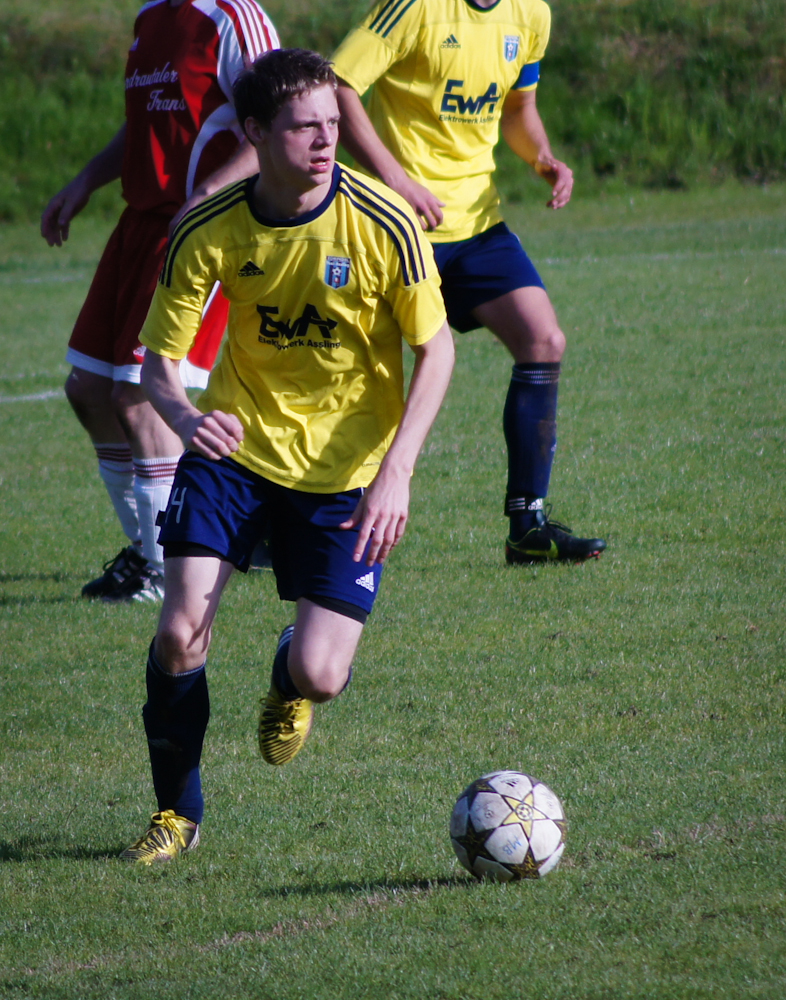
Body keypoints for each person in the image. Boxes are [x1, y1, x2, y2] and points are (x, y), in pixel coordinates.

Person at [118, 48, 455, 863]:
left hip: (348, 470)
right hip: (234, 453)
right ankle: (177, 814)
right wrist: (184, 416)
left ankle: (288, 678)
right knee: (179, 633)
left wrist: (398, 471)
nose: (326, 139)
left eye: (333, 123)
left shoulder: (385, 223)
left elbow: (437, 350)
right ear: (256, 133)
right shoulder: (209, 228)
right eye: (305, 126)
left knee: (321, 674)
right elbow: (160, 365)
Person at [332, 0, 606, 564]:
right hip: (395, 221)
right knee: (351, 366)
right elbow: (337, 85)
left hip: (477, 225)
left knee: (543, 340)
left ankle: (527, 528)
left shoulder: (531, 14)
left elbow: (518, 110)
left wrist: (544, 159)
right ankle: (289, 515)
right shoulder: (414, 7)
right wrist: (396, 181)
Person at [40, 0, 279, 602]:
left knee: (142, 397)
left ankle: (165, 568)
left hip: (195, 228)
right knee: (89, 390)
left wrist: (208, 195)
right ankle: (149, 550)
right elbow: (141, 129)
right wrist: (84, 181)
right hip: (138, 225)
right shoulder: (151, 18)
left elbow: (278, 121)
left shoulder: (232, 18)